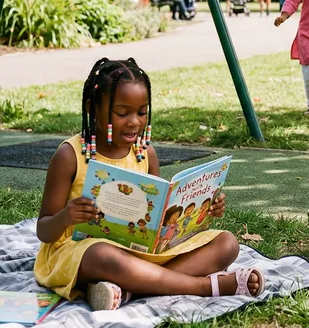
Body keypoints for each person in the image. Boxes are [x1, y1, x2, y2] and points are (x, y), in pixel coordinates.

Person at [34, 58, 264, 311]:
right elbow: (44, 231)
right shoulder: (70, 156)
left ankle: (130, 289)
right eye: (122, 113)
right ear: (92, 108)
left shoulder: (145, 153)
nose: (134, 122)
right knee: (102, 254)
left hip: (141, 254)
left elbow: (159, 216)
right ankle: (203, 287)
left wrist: (205, 208)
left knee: (227, 243)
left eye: (142, 112)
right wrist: (66, 217)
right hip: (82, 253)